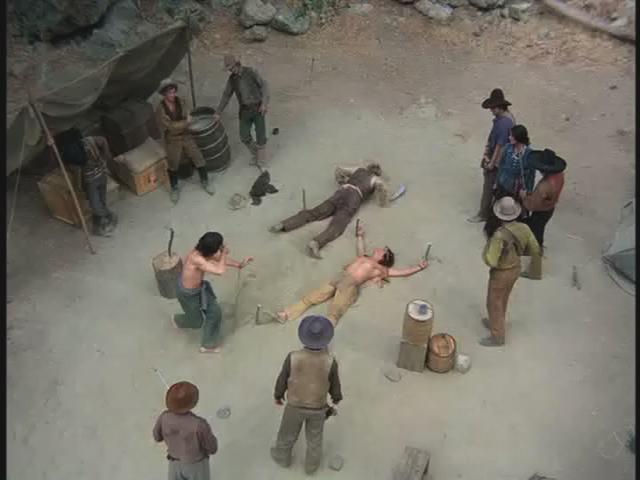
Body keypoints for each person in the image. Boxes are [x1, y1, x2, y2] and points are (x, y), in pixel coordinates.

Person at [276, 222, 428, 326]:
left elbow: (401, 272)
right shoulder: (364, 257)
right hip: (340, 276)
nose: (379, 248)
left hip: (351, 284)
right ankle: (287, 314)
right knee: (312, 296)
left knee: (335, 310)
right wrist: (360, 235)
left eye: (383, 250)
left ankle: (325, 331)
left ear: (384, 257)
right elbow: (360, 248)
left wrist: (418, 267)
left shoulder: (379, 269)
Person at [269, 163, 390, 259]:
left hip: (342, 191)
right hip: (354, 197)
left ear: (368, 167)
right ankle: (316, 242)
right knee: (337, 225)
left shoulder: (358, 169)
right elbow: (382, 190)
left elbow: (339, 170)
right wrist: (384, 203)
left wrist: (341, 181)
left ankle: (283, 224)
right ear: (377, 173)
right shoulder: (376, 179)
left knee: (315, 212)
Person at [270, 315, 341, 475]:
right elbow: (335, 385)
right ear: (326, 339)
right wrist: (336, 399)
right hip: (318, 407)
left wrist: (278, 395)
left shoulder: (293, 357)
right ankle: (311, 467)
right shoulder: (330, 361)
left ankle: (282, 458)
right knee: (315, 440)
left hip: (294, 405)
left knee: (287, 434)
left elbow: (282, 379)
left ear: (303, 337)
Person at [174, 232, 253, 353]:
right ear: (211, 249)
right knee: (196, 322)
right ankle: (177, 320)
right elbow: (220, 270)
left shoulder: (203, 251)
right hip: (188, 294)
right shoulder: (196, 258)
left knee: (215, 313)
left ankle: (207, 345)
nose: (221, 248)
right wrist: (224, 253)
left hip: (200, 289)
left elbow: (218, 260)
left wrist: (239, 265)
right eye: (219, 247)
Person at [480, 197, 542, 347]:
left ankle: (497, 336)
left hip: (501, 273)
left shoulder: (499, 235)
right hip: (515, 268)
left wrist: (486, 254)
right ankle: (496, 322)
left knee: (493, 302)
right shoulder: (524, 228)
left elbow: (491, 260)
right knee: (503, 298)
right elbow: (535, 248)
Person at [156, 78, 215, 204]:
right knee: (173, 164)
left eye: (173, 92)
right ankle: (174, 188)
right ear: (164, 94)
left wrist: (183, 123)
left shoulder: (182, 101)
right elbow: (171, 127)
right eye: (169, 93)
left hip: (186, 136)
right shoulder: (160, 109)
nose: (172, 95)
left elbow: (188, 116)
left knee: (198, 157)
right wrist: (185, 123)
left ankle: (205, 182)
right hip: (173, 140)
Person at [53, 128, 118, 236]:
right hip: (100, 176)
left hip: (92, 181)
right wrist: (106, 154)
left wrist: (77, 188)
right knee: (100, 201)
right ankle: (99, 223)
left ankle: (108, 217)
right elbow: (102, 140)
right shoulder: (88, 141)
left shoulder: (74, 154)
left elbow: (77, 175)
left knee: (96, 206)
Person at [468, 88, 516, 223]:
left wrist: (491, 163)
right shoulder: (508, 117)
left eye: (493, 108)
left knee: (488, 187)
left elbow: (499, 146)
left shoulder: (503, 123)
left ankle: (483, 214)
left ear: (499, 107)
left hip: (498, 160)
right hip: (504, 160)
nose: (491, 110)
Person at [153, 381, 218, 480]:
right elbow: (212, 447)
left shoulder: (164, 417)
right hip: (196, 465)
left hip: (174, 463)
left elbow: (157, 437)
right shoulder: (199, 424)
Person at [213, 55, 270, 168]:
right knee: (244, 136)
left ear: (237, 64)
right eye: (229, 69)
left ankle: (262, 160)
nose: (231, 70)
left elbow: (264, 86)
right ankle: (256, 154)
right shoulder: (232, 80)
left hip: (258, 108)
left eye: (231, 68)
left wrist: (264, 104)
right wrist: (218, 112)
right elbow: (226, 95)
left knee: (261, 135)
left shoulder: (250, 72)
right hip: (244, 110)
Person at [520, 149, 567, 256]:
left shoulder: (544, 187)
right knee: (540, 229)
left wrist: (524, 197)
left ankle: (535, 252)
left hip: (541, 210)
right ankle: (538, 247)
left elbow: (532, 205)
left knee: (534, 229)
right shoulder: (560, 176)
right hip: (550, 207)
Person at [494, 124, 535, 201]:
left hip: (518, 190)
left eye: (511, 136)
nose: (509, 137)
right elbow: (501, 166)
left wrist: (529, 191)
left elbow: (531, 175)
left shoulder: (529, 154)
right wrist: (496, 182)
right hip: (503, 185)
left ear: (518, 137)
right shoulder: (507, 147)